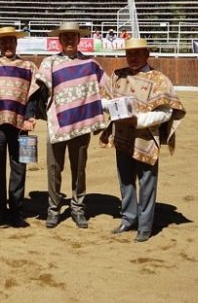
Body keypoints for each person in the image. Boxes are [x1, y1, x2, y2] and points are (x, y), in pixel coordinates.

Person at [100, 38, 186, 242]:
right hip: (122, 136)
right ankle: (129, 219)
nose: (133, 57)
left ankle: (145, 226)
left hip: (146, 139)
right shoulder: (117, 75)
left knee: (147, 182)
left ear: (147, 54)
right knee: (126, 180)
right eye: (130, 54)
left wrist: (137, 120)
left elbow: (166, 113)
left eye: (138, 53)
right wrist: (114, 110)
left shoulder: (159, 80)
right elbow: (103, 100)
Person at [37, 22, 109, 229]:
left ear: (79, 39)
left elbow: (108, 88)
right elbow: (38, 93)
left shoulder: (91, 64)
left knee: (79, 169)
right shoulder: (48, 63)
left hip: (81, 125)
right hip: (57, 125)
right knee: (53, 169)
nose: (69, 40)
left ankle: (78, 208)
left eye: (73, 36)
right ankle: (53, 209)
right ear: (59, 40)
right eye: (65, 37)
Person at [0, 26, 39, 228]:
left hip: (21, 125)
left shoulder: (29, 67)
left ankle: (15, 212)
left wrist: (30, 117)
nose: (7, 45)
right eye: (3, 42)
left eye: (10, 41)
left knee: (19, 169)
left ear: (16, 42)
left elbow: (33, 96)